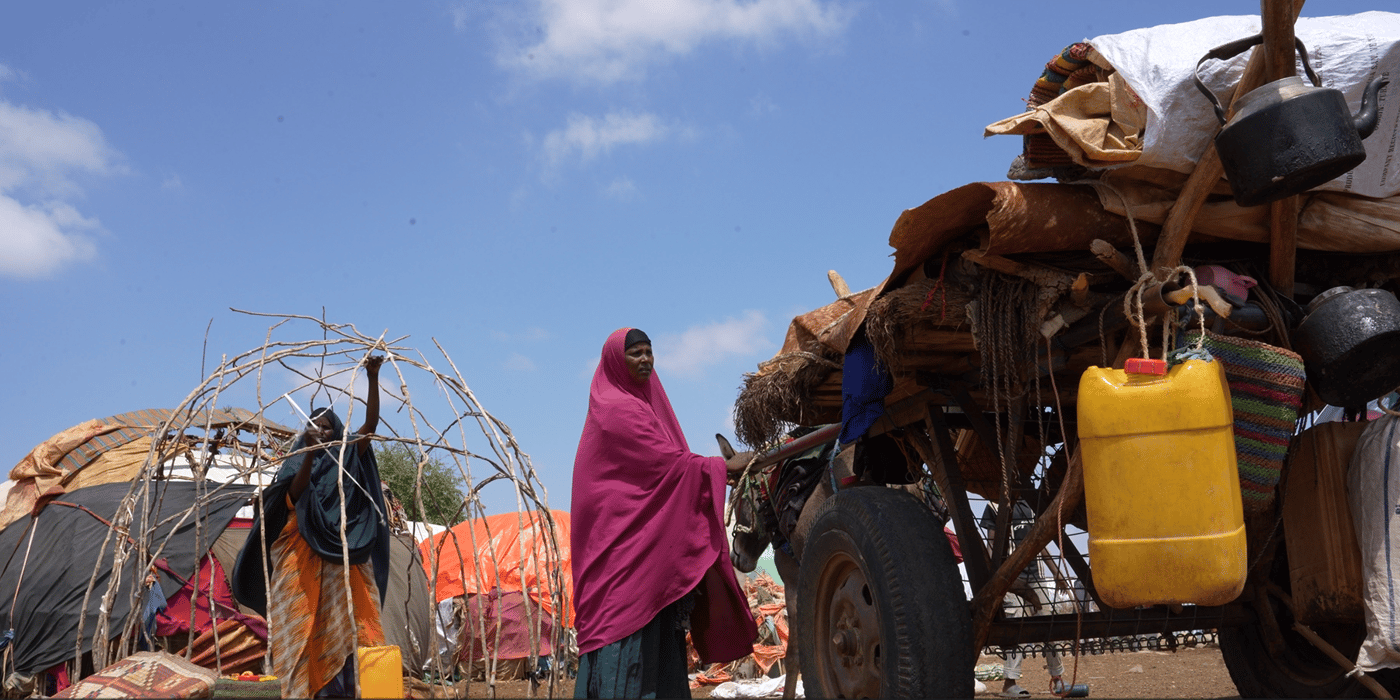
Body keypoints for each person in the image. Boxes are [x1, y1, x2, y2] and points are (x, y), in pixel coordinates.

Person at [571, 328, 759, 699]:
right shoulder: (615, 409)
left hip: (644, 560)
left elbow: (670, 469)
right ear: (615, 361)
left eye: (648, 352)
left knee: (657, 652)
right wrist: (720, 469)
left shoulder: (643, 408)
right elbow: (668, 466)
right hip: (619, 560)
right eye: (635, 354)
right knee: (627, 659)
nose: (645, 360)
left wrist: (713, 471)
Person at [232, 355, 392, 699]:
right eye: (316, 427)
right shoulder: (298, 464)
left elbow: (371, 425)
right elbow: (294, 493)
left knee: (353, 630)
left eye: (328, 426)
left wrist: (373, 377)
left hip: (346, 562)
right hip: (302, 561)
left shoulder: (349, 455)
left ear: (337, 428)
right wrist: (309, 451)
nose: (324, 431)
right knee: (302, 630)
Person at [981, 500, 1065, 698]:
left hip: (1036, 576)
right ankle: (1010, 684)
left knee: (1050, 620)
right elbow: (992, 543)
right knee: (1016, 625)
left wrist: (1056, 573)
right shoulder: (994, 505)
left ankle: (1058, 679)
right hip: (1012, 577)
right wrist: (1000, 576)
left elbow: (1041, 542)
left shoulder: (1030, 505)